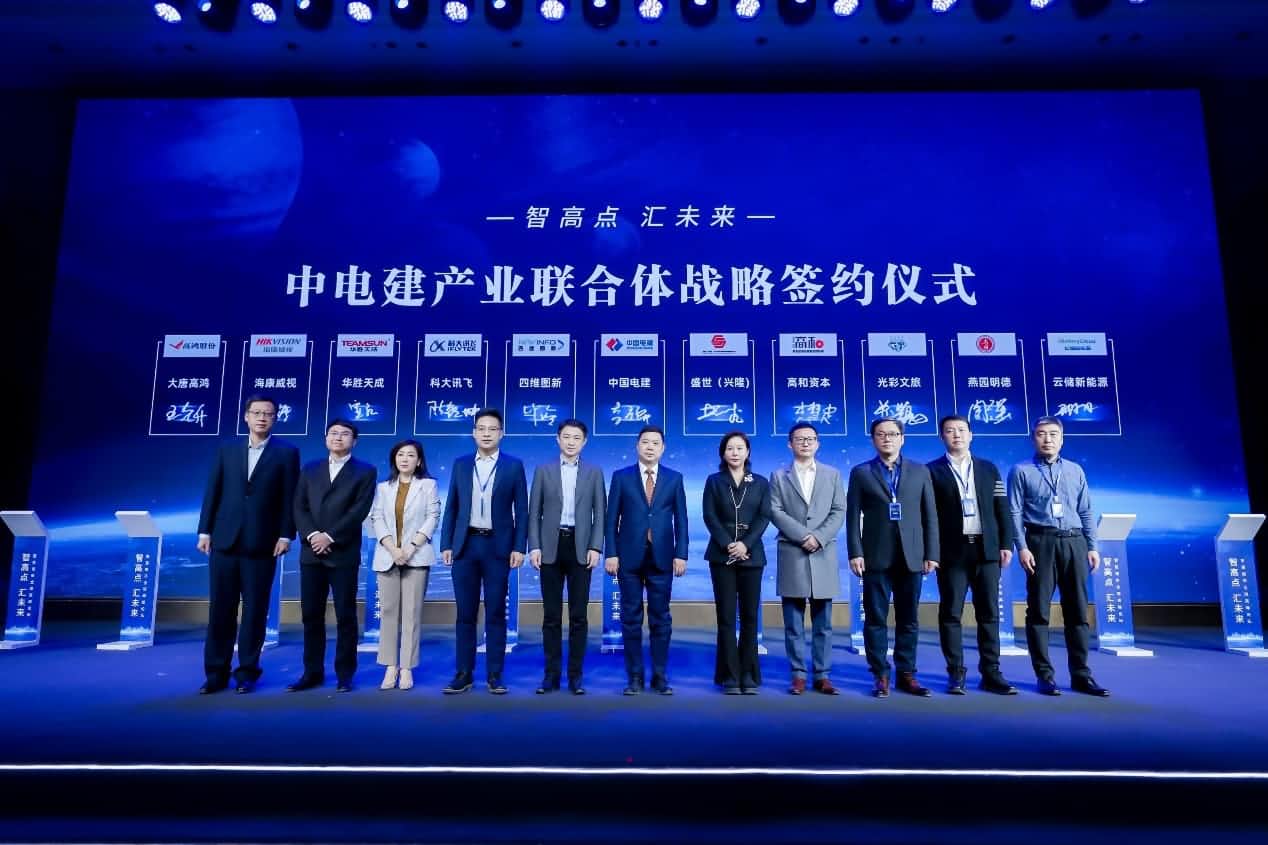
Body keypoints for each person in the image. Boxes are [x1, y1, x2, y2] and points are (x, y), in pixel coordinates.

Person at [196, 394, 300, 695]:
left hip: (263, 543)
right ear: (246, 416)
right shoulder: (227, 449)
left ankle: (247, 673)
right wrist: (204, 531)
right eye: (257, 413)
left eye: (268, 414)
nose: (262, 418)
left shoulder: (287, 453)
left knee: (255, 611)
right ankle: (216, 673)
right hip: (224, 540)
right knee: (221, 610)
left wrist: (286, 534)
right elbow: (213, 491)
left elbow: (290, 497)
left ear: (275, 418)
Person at [1007, 416, 1109, 697]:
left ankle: (1081, 675)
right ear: (1033, 438)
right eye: (1041, 434)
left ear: (1062, 439)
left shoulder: (1075, 470)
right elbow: (1014, 512)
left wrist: (1092, 546)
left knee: (1077, 611)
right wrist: (1022, 547)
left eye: (1053, 434)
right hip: (1040, 542)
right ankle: (1045, 676)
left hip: (1075, 542)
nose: (1047, 439)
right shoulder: (1021, 471)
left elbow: (1085, 510)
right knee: (1038, 611)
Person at [847, 418, 940, 699]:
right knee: (875, 618)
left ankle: (907, 673)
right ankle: (880, 674)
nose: (887, 438)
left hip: (912, 556)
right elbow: (852, 517)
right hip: (875, 556)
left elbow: (930, 515)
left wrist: (932, 553)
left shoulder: (920, 471)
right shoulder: (861, 472)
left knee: (908, 618)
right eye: (881, 434)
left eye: (893, 434)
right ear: (873, 439)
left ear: (903, 438)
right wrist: (855, 552)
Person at [926, 415, 1017, 696]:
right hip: (951, 553)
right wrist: (931, 552)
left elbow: (1002, 508)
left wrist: (1006, 543)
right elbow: (927, 517)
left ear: (971, 435)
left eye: (962, 430)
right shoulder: (931, 471)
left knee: (989, 614)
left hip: (986, 551)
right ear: (942, 436)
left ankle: (991, 672)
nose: (957, 435)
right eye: (950, 431)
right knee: (951, 614)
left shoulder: (989, 469)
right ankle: (955, 672)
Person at [439, 408, 528, 695]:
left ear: (502, 433)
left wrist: (519, 547)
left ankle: (494, 675)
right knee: (465, 613)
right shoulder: (461, 464)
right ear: (474, 433)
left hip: (497, 547)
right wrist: (446, 544)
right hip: (465, 546)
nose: (486, 433)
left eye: (492, 429)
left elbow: (522, 511)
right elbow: (452, 506)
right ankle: (463, 673)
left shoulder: (513, 466)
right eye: (481, 428)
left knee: (495, 612)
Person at [289, 419, 377, 693]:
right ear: (326, 438)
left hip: (343, 553)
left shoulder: (365, 471)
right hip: (311, 553)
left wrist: (330, 536)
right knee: (310, 615)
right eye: (333, 433)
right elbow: (299, 506)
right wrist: (313, 535)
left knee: (345, 616)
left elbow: (359, 510)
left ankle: (344, 674)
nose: (338, 437)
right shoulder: (310, 468)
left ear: (354, 441)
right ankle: (312, 672)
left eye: (345, 434)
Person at [604, 424, 689, 696]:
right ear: (637, 446)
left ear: (663, 448)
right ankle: (635, 677)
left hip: (662, 557)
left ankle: (660, 676)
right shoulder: (621, 477)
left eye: (655, 443)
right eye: (645, 442)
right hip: (628, 558)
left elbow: (682, 520)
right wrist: (611, 553)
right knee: (630, 617)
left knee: (660, 618)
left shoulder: (674, 478)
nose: (650, 447)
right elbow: (610, 519)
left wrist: (681, 553)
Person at [527, 419, 606, 696]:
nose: (571, 442)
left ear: (584, 442)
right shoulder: (543, 470)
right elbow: (533, 512)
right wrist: (534, 546)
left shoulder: (594, 472)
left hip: (581, 548)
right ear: (557, 439)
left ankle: (575, 676)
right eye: (566, 437)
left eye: (576, 438)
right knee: (551, 616)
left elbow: (601, 513)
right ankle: (551, 676)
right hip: (550, 547)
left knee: (578, 616)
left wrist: (596, 547)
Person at [769, 422, 847, 695]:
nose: (805, 443)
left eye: (810, 439)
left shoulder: (832, 474)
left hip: (823, 552)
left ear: (818, 443)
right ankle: (798, 674)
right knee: (793, 622)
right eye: (799, 439)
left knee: (823, 623)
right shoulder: (779, 476)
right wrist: (804, 536)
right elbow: (775, 511)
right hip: (793, 552)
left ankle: (822, 675)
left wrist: (819, 537)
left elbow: (839, 510)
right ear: (790, 444)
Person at [369, 439, 441, 692]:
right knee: (389, 612)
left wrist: (409, 548)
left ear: (419, 461)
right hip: (387, 555)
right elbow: (377, 517)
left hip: (416, 556)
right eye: (401, 454)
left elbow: (433, 517)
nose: (405, 459)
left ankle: (407, 667)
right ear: (394, 459)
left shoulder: (428, 485)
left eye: (411, 455)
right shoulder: (383, 487)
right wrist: (393, 549)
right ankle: (390, 666)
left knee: (411, 613)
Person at [702, 431, 771, 695]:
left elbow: (764, 516)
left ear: (747, 452)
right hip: (722, 556)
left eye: (739, 448)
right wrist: (728, 544)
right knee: (726, 617)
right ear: (723, 453)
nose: (734, 452)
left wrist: (745, 545)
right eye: (730, 448)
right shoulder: (714, 481)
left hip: (752, 556)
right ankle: (730, 676)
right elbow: (709, 516)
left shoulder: (760, 482)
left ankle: (749, 674)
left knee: (750, 617)